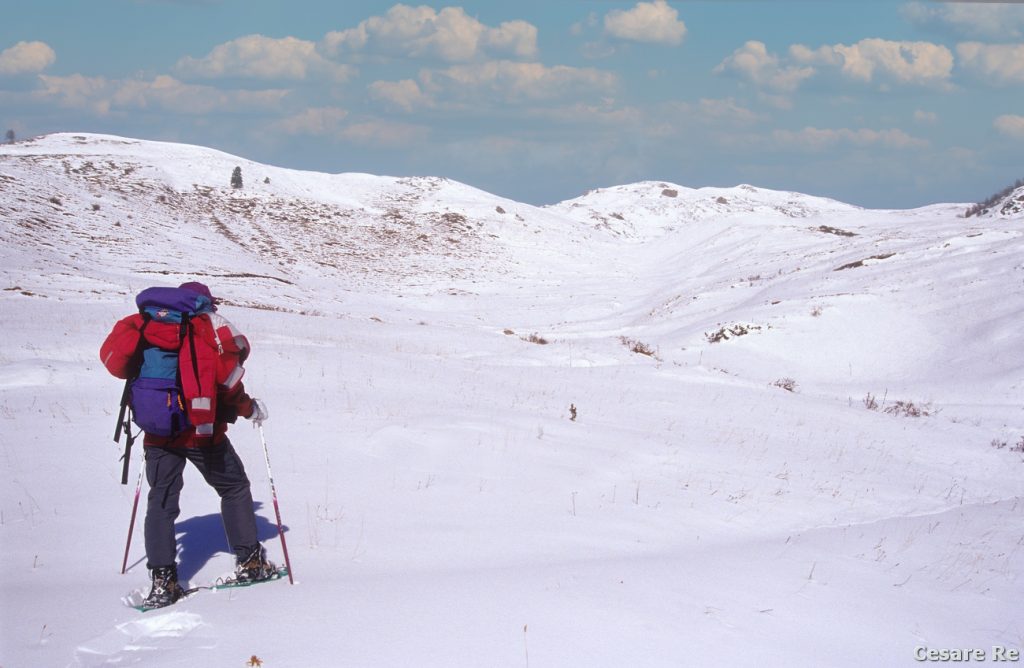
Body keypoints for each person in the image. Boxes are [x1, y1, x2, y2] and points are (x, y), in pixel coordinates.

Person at [102, 281, 275, 609]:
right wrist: (248, 407)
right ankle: (251, 563)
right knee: (234, 487)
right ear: (204, 301)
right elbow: (227, 383)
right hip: (201, 430)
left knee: (162, 503)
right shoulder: (207, 326)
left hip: (157, 431)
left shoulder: (146, 322)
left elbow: (120, 366)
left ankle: (163, 582)